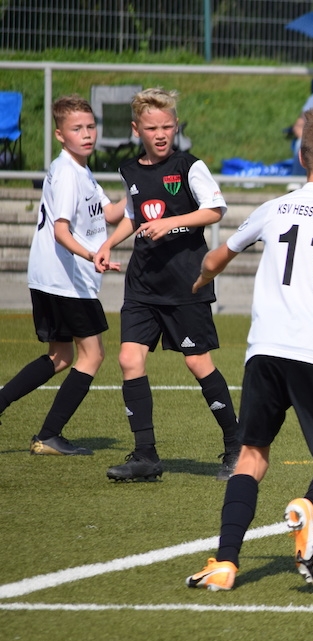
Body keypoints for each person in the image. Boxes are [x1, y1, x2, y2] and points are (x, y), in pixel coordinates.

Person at [185, 108, 313, 591]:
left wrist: (202, 278)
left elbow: (218, 256)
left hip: (267, 350)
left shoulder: (275, 207)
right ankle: (309, 509)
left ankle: (225, 563)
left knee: (251, 456)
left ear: (301, 156)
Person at [93, 88, 240, 482]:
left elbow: (214, 210)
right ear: (136, 129)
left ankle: (236, 445)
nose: (160, 134)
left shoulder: (189, 166)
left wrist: (171, 223)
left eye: (167, 127)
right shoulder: (130, 170)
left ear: (176, 127)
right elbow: (133, 215)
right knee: (129, 359)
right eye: (152, 128)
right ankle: (145, 456)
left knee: (197, 363)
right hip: (143, 282)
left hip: (184, 282)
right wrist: (107, 244)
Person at [0, 95, 125, 454]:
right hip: (66, 279)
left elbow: (110, 213)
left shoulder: (78, 169)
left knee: (61, 356)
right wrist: (92, 255)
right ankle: (49, 435)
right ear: (59, 134)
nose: (86, 134)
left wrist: (141, 192)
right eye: (77, 128)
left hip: (49, 276)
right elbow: (61, 231)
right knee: (92, 355)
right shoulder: (69, 174)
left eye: (90, 126)